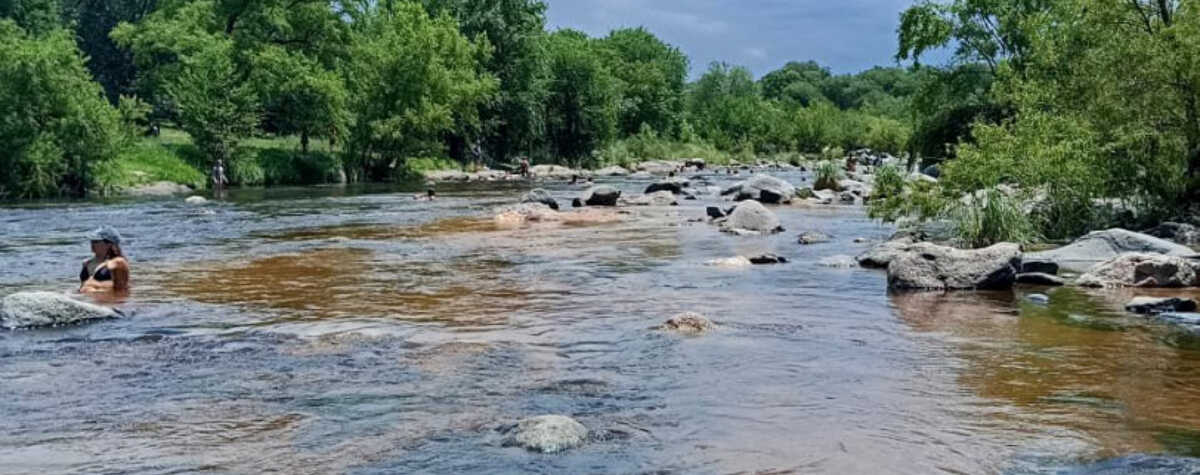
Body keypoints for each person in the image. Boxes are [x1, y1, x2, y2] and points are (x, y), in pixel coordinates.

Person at [79, 226, 130, 294]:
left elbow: (122, 288)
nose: (92, 244)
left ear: (109, 244)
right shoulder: (86, 263)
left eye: (96, 241)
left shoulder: (118, 263)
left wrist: (92, 285)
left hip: (109, 302)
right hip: (88, 301)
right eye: (92, 241)